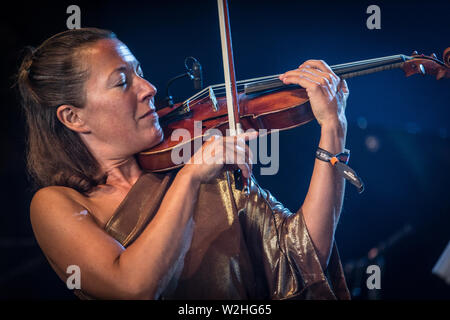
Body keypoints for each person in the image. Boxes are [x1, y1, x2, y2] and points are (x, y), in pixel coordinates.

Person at [17, 28, 351, 300]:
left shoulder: (206, 168)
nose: (149, 89)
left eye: (141, 74)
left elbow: (302, 257)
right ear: (73, 117)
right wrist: (189, 178)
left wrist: (333, 129)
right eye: (122, 82)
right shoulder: (57, 204)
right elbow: (133, 287)